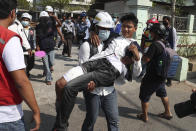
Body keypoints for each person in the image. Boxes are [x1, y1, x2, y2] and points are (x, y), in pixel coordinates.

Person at [52, 13, 142, 131]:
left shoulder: (134, 45)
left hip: (109, 82)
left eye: (129, 27)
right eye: (124, 26)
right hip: (95, 66)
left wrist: (136, 58)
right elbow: (100, 29)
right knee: (65, 87)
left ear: (135, 29)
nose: (126, 29)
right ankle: (61, 124)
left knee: (113, 121)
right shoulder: (114, 37)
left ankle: (60, 127)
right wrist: (92, 32)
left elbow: (137, 74)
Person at [0, 0, 40, 130]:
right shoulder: (9, 37)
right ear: (12, 13)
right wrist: (35, 110)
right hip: (6, 116)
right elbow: (21, 82)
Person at [79, 12, 120, 131]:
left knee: (114, 121)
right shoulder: (86, 46)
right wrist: (88, 84)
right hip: (93, 91)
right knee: (91, 119)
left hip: (109, 89)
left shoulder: (112, 42)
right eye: (103, 28)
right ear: (95, 27)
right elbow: (83, 70)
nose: (106, 31)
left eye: (108, 29)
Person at [137, 23, 173, 122]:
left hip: (153, 75)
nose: (150, 34)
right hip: (162, 75)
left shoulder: (155, 45)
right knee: (162, 93)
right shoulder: (166, 43)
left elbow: (146, 59)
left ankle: (144, 116)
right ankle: (168, 112)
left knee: (144, 95)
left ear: (156, 33)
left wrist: (142, 53)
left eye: (151, 32)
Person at [36, 11, 56, 85]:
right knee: (46, 64)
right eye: (42, 18)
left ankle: (46, 71)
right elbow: (37, 37)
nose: (44, 20)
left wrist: (55, 18)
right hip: (42, 48)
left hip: (51, 47)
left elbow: (59, 25)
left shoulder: (52, 25)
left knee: (51, 63)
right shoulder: (37, 26)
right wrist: (37, 46)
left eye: (45, 18)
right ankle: (48, 78)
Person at [162, 16, 177, 87]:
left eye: (165, 20)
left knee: (169, 66)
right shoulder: (164, 29)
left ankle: (169, 81)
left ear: (168, 21)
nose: (164, 22)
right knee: (163, 65)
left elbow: (174, 40)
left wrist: (173, 51)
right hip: (164, 49)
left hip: (170, 50)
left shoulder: (172, 29)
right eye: (163, 20)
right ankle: (162, 79)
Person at [21, 12, 36, 77]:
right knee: (24, 64)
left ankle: (27, 71)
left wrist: (34, 48)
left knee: (31, 64)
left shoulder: (32, 29)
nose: (25, 21)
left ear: (29, 21)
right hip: (22, 51)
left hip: (31, 50)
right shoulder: (19, 28)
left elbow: (34, 39)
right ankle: (25, 75)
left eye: (27, 20)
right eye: (23, 19)